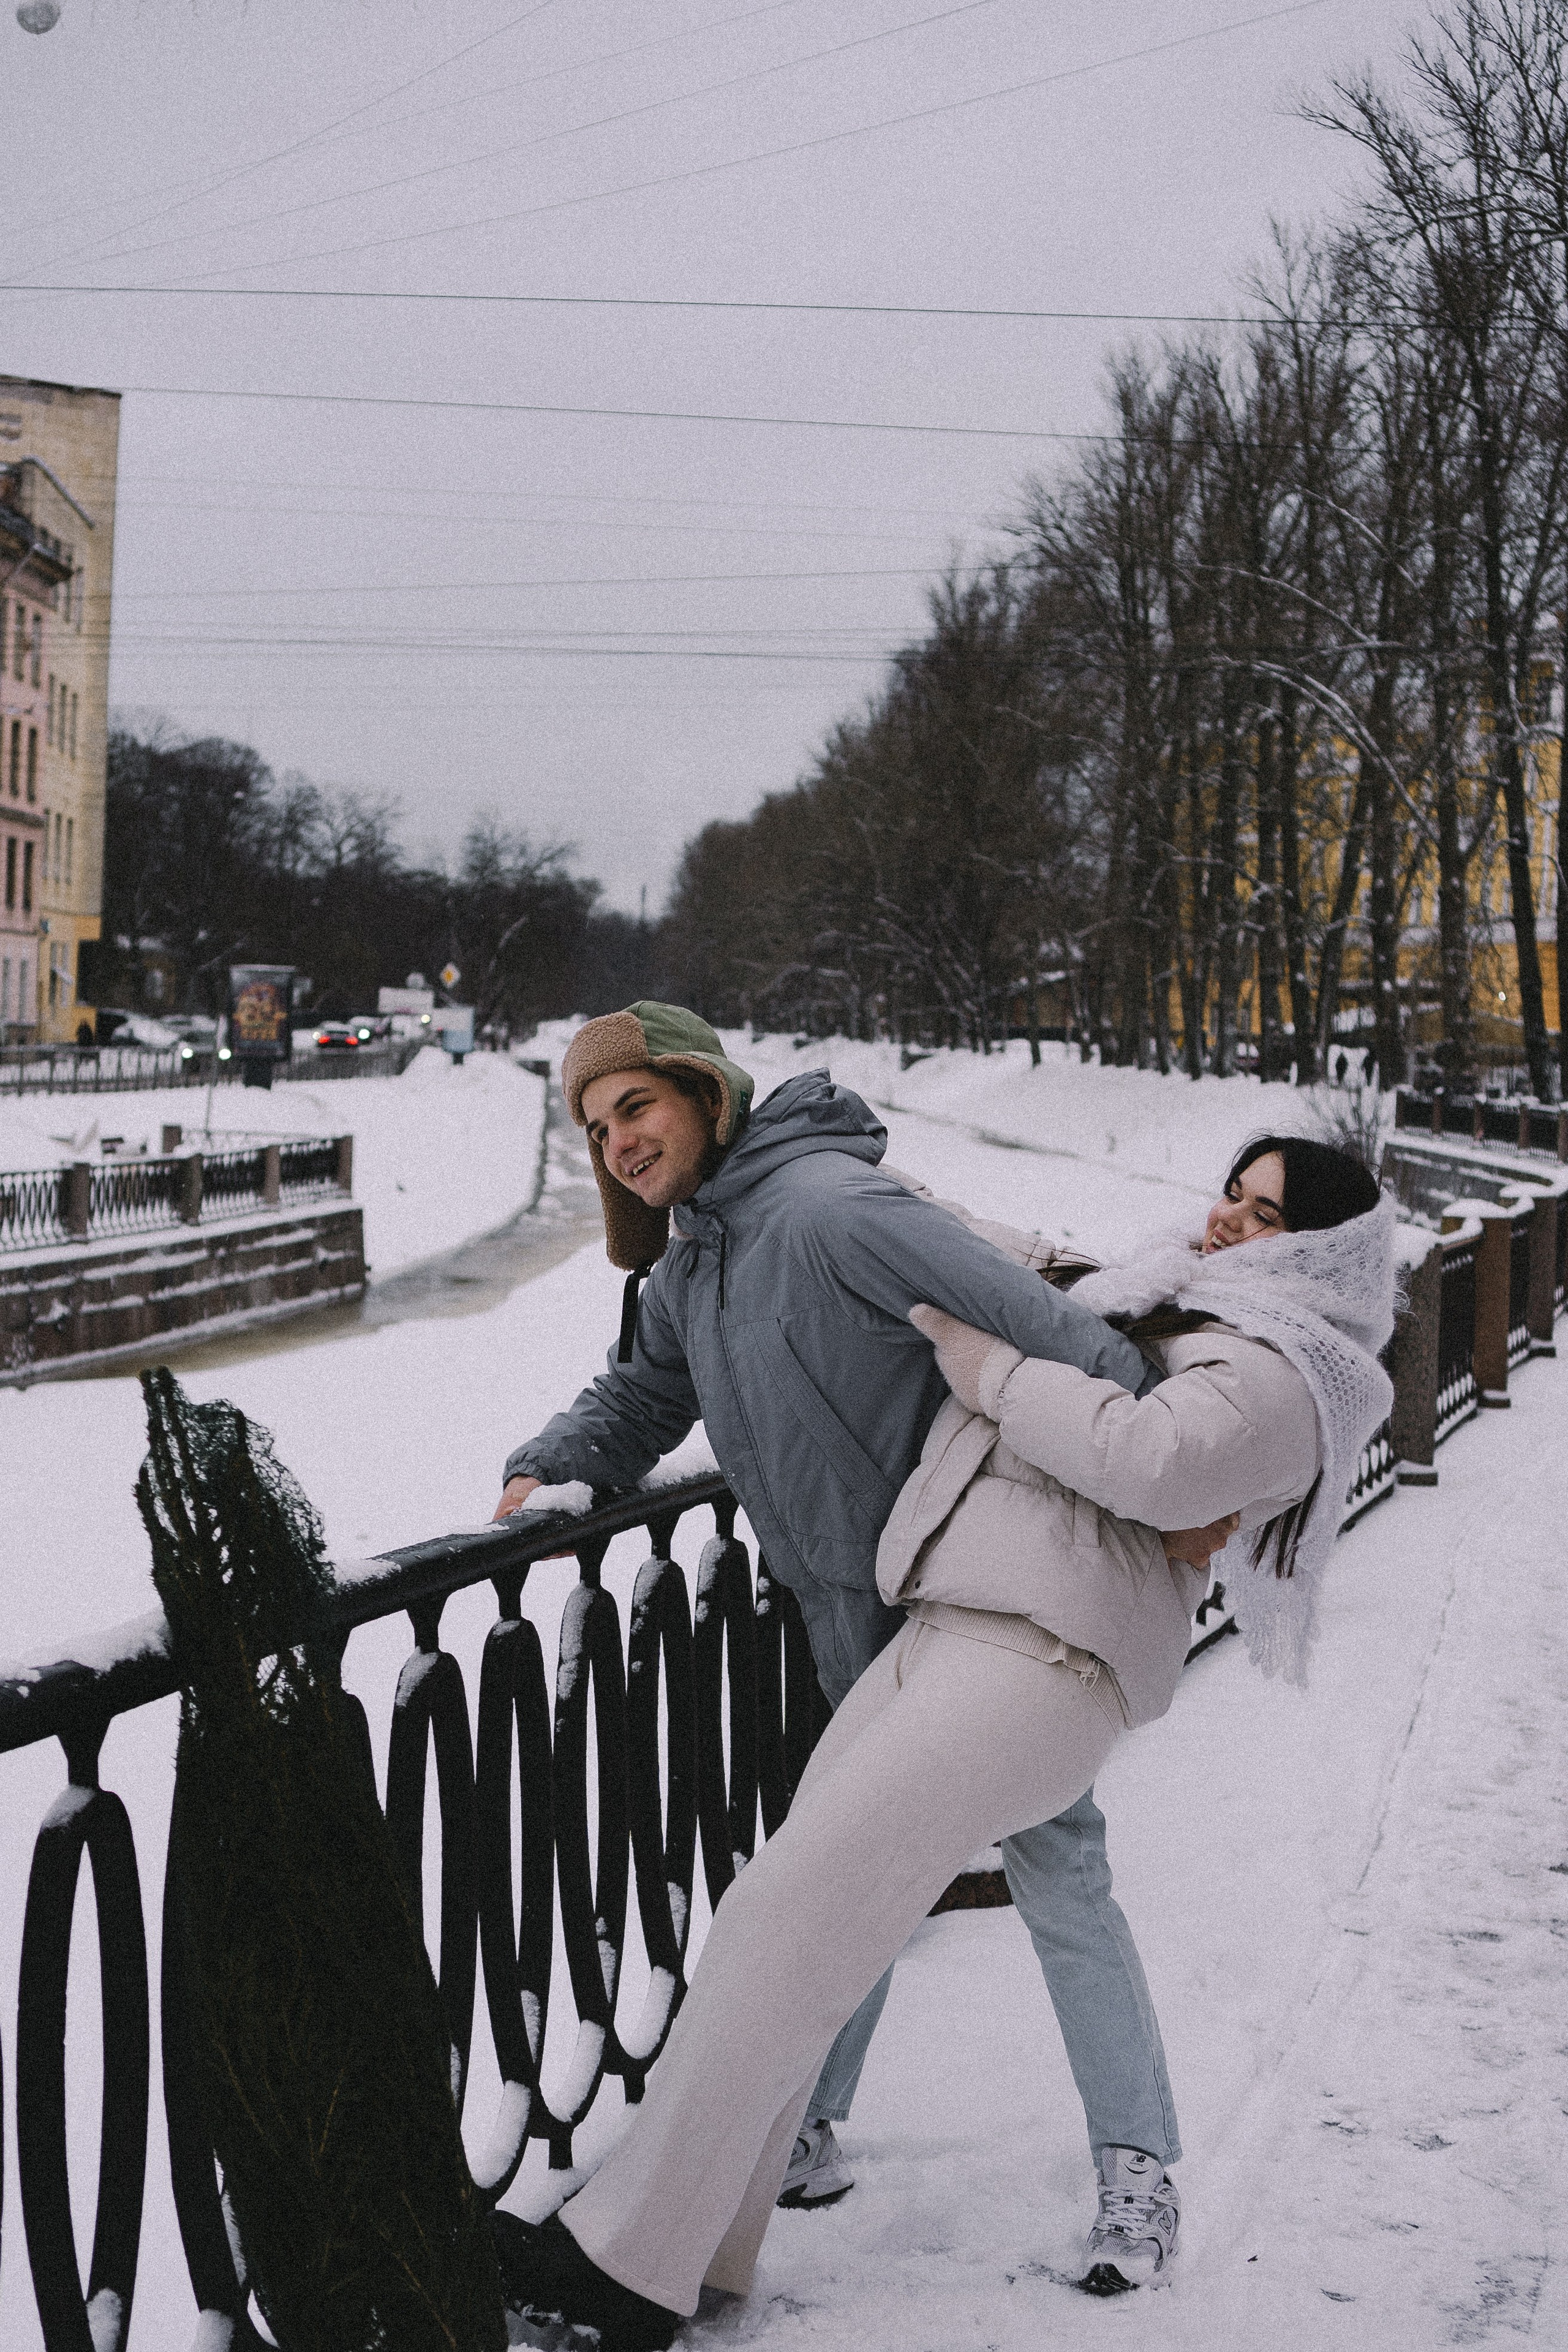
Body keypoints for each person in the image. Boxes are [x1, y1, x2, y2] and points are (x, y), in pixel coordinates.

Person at [493, 1132, 1397, 2350]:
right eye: (1230, 1195)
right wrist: (890, 1203)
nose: (1231, 1221)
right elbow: (1014, 1267)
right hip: (947, 1615)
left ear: (1328, 1248)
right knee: (797, 1924)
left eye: (1268, 1213)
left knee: (786, 1919)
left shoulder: (1292, 1368)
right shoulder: (1153, 1298)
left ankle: (624, 2258)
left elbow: (1156, 1462)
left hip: (1045, 1653)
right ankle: (693, 2248)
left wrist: (990, 1370)